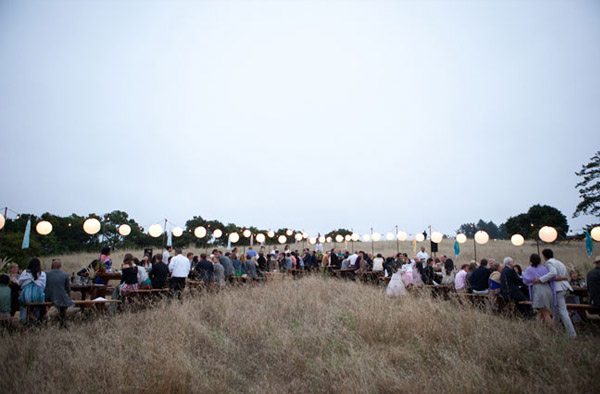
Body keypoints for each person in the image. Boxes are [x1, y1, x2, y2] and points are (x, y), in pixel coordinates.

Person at [535, 249, 576, 338]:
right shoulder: (559, 262)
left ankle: (571, 334)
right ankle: (555, 330)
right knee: (556, 311)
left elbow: (553, 273)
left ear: (544, 256)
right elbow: (564, 275)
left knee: (562, 312)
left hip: (558, 289)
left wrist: (541, 279)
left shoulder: (549, 263)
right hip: (565, 287)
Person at [522, 254, 554, 325]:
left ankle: (554, 330)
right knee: (542, 311)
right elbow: (550, 278)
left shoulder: (529, 269)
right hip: (547, 288)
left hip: (538, 289)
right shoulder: (544, 268)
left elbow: (525, 280)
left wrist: (533, 280)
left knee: (545, 312)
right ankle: (539, 328)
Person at [44, 259, 73, 327]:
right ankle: (62, 321)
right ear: (60, 266)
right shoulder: (65, 275)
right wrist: (69, 297)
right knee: (64, 301)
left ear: (51, 266)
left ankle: (45, 320)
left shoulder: (46, 274)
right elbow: (68, 289)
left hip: (48, 296)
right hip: (60, 298)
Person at [18, 258, 47, 323]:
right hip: (38, 296)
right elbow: (43, 286)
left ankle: (23, 320)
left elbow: (19, 283)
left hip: (26, 296)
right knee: (38, 305)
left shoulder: (25, 272)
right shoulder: (42, 274)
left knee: (22, 303)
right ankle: (36, 319)